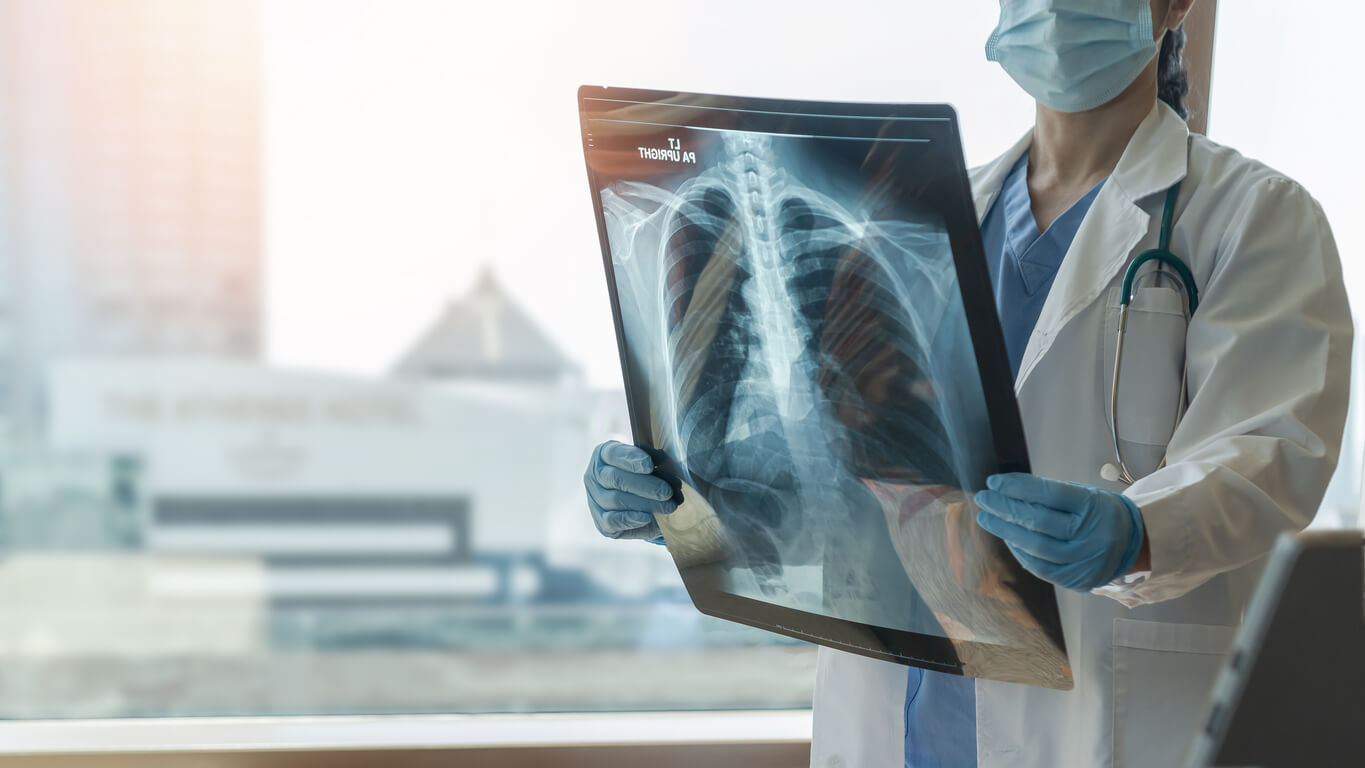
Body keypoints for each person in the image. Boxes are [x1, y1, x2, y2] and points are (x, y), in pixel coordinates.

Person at [583, 0, 1353, 765]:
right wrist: (694, 511)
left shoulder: (1254, 218)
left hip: (1103, 718)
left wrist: (1136, 534)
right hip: (894, 720)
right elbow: (853, 499)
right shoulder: (922, 220)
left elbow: (1269, 457)